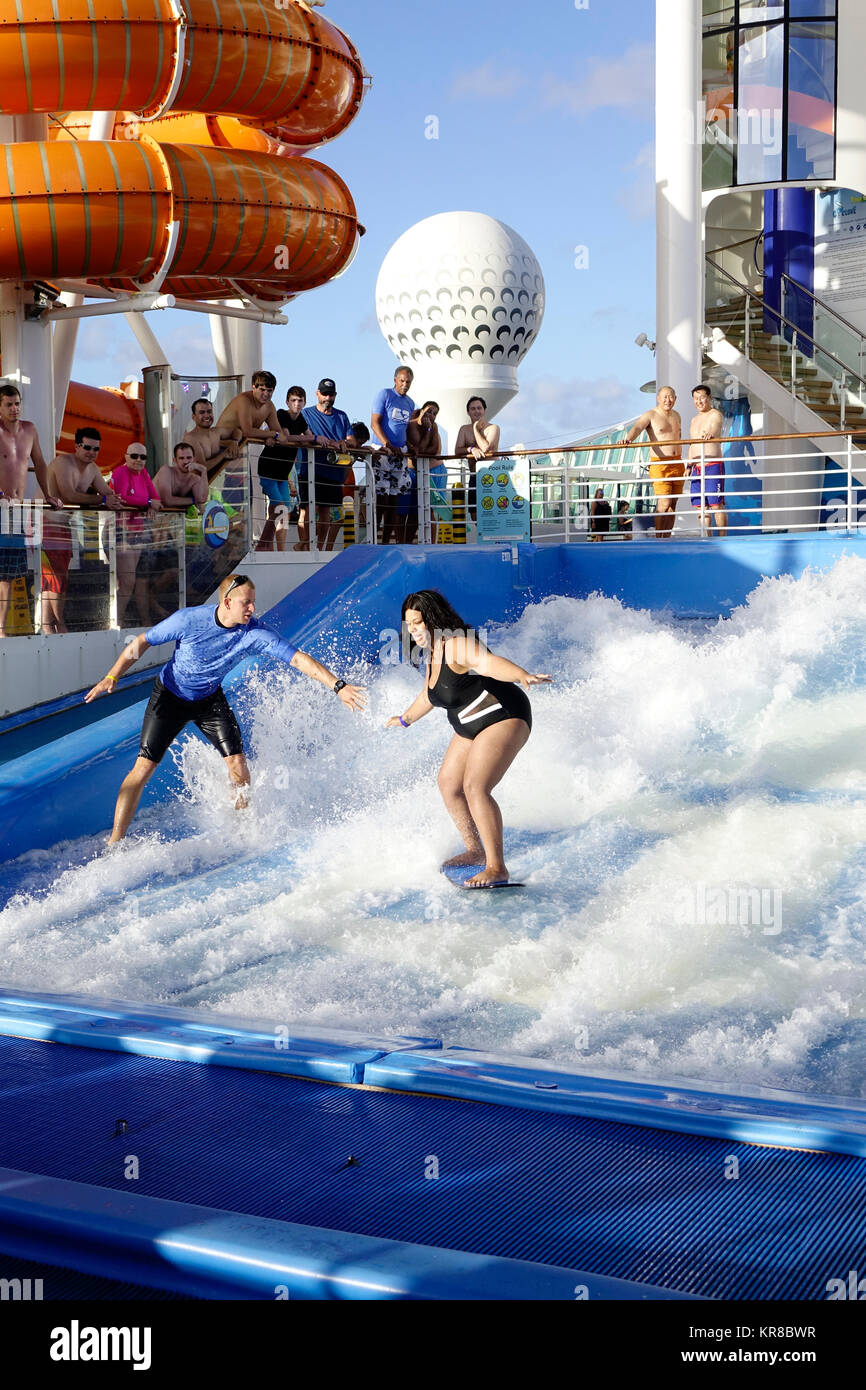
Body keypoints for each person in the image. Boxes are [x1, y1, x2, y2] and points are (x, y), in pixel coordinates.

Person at [85, 573, 366, 842]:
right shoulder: (189, 620)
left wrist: (338, 686)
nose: (253, 608)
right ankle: (116, 839)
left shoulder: (254, 632)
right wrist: (113, 675)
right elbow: (143, 641)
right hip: (170, 697)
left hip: (209, 699)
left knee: (239, 765)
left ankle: (241, 828)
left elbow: (297, 659)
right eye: (247, 602)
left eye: (254, 601)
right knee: (143, 768)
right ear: (227, 603)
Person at [386, 589, 551, 889]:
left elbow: (488, 663)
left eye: (417, 623)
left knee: (475, 787)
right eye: (408, 625)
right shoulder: (432, 655)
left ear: (433, 619)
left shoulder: (457, 645)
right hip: (470, 723)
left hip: (504, 714)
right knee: (449, 784)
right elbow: (429, 695)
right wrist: (404, 719)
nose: (412, 631)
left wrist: (521, 675)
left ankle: (496, 867)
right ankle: (475, 850)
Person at [44, 428, 124, 633]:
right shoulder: (63, 463)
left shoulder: (93, 469)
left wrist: (114, 499)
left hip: (62, 526)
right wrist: (103, 499)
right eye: (87, 447)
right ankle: (58, 623)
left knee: (56, 577)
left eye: (95, 449)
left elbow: (108, 492)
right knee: (55, 577)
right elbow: (69, 496)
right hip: (45, 524)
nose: (91, 452)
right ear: (76, 446)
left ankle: (48, 625)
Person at [0, 383, 58, 638]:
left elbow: (40, 463)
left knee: (8, 574)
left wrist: (48, 493)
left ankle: (1, 629)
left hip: (16, 510)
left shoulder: (29, 429)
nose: (14, 409)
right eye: (9, 405)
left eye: (17, 404)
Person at [109, 443, 163, 627]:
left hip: (137, 532)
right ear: (125, 457)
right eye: (134, 456)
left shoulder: (144, 473)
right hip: (120, 529)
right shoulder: (120, 473)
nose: (139, 460)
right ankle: (116, 621)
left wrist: (149, 502)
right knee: (127, 581)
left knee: (130, 581)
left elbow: (156, 499)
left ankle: (121, 619)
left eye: (143, 457)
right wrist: (147, 502)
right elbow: (123, 498)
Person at [256, 386, 314, 552]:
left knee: (283, 510)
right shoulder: (281, 414)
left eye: (300, 400)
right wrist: (311, 438)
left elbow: (307, 437)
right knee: (279, 506)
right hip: (268, 468)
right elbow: (286, 436)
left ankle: (275, 547)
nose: (297, 404)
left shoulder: (301, 419)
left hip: (282, 473)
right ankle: (263, 544)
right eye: (294, 400)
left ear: (304, 402)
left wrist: (318, 439)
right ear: (287, 402)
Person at [299, 379, 353, 551]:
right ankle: (306, 548)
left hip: (333, 472)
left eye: (330, 394)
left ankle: (319, 549)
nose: (327, 397)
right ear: (317, 393)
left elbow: (350, 439)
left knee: (325, 514)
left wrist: (344, 443)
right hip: (309, 469)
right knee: (306, 510)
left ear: (335, 395)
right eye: (324, 394)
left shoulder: (342, 416)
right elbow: (301, 435)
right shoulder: (306, 414)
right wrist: (330, 442)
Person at [623, 386, 684, 538]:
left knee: (672, 505)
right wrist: (629, 438)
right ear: (658, 398)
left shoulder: (677, 415)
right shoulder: (651, 414)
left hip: (677, 462)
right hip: (659, 463)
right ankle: (658, 538)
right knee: (663, 503)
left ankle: (666, 537)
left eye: (671, 397)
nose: (668, 400)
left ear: (675, 399)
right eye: (664, 397)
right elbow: (638, 427)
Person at [371, 366, 415, 545]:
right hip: (383, 452)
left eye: (408, 382)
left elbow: (402, 429)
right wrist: (387, 445)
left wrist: (409, 446)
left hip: (400, 455)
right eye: (402, 381)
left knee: (395, 501)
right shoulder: (385, 395)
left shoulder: (410, 403)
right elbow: (375, 423)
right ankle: (375, 538)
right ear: (395, 380)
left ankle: (386, 542)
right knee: (382, 500)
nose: (405, 385)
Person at [215, 371, 291, 450]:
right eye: (262, 390)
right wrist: (273, 434)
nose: (266, 394)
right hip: (217, 445)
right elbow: (247, 431)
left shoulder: (270, 406)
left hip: (235, 447)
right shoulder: (244, 400)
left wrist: (271, 438)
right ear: (253, 387)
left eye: (269, 391)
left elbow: (279, 432)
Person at [688, 385, 727, 537]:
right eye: (696, 399)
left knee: (716, 504)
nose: (699, 401)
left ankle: (723, 538)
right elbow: (691, 443)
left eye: (702, 397)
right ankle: (706, 538)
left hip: (713, 465)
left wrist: (710, 434)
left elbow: (715, 427)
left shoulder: (715, 414)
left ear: (710, 397)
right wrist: (689, 465)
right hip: (696, 467)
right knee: (700, 506)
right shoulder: (694, 420)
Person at [454, 397, 501, 523]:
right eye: (473, 409)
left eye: (479, 408)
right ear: (468, 412)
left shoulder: (493, 428)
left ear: (484, 410)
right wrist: (470, 449)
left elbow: (486, 448)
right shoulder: (464, 429)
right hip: (475, 476)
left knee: (493, 512)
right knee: (475, 515)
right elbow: (457, 450)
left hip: (492, 475)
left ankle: (493, 541)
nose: (476, 411)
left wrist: (475, 428)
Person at [405, 402, 443, 544]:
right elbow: (419, 449)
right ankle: (406, 542)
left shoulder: (433, 427)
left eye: (434, 413)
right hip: (413, 472)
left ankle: (431, 543)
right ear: (421, 411)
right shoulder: (411, 425)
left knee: (430, 509)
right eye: (428, 411)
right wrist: (427, 432)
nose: (431, 416)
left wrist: (428, 431)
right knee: (413, 511)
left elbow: (433, 450)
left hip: (430, 471)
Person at [183, 398, 240, 480]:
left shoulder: (216, 432)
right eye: (202, 412)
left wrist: (235, 442)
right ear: (193, 417)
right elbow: (200, 469)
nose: (206, 415)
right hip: (195, 487)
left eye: (209, 412)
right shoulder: (191, 438)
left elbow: (237, 431)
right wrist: (223, 455)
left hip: (213, 483)